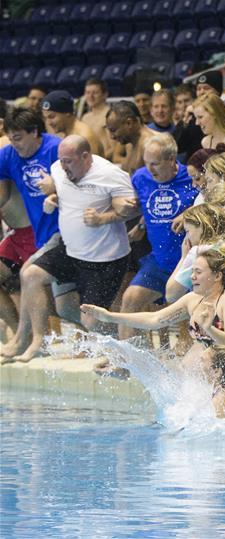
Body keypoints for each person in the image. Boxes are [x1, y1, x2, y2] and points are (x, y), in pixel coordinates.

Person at [82, 246, 225, 397]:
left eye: (198, 272)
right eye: (192, 271)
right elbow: (155, 319)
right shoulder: (192, 300)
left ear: (217, 276)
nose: (192, 277)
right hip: (218, 374)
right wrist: (109, 316)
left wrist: (208, 329)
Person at [15, 135, 138, 362]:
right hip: (72, 252)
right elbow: (61, 187)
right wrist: (52, 194)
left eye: (69, 161)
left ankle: (123, 351)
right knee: (33, 276)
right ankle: (38, 340)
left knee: (91, 320)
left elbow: (132, 209)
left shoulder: (110, 174)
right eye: (61, 160)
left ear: (85, 157)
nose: (63, 166)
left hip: (105, 259)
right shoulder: (58, 168)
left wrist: (103, 218)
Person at [118, 133, 198, 340]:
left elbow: (216, 202)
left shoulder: (191, 177)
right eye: (146, 163)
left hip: (189, 261)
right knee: (130, 299)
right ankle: (127, 359)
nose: (149, 169)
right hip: (159, 260)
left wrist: (190, 214)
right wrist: (141, 224)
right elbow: (146, 206)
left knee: (184, 326)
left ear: (172, 160)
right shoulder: (140, 178)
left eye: (155, 164)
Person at [0, 108, 62, 359]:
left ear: (34, 132)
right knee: (65, 305)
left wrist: (56, 186)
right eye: (11, 139)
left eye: (17, 138)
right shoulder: (10, 154)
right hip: (39, 234)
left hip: (66, 233)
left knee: (31, 276)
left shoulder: (57, 149)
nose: (13, 145)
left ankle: (32, 340)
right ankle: (23, 337)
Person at [39, 90, 103, 155]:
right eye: (45, 118)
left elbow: (91, 164)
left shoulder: (84, 137)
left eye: (52, 117)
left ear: (67, 112)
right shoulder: (64, 133)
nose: (49, 122)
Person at [105, 101, 156, 175]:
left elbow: (162, 183)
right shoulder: (130, 143)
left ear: (129, 123)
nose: (111, 137)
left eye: (113, 130)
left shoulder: (151, 145)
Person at [80, 79, 111, 158]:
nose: (91, 96)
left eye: (95, 93)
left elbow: (113, 148)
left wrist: (98, 161)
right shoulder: (85, 117)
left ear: (105, 95)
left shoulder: (109, 115)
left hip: (104, 161)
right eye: (88, 93)